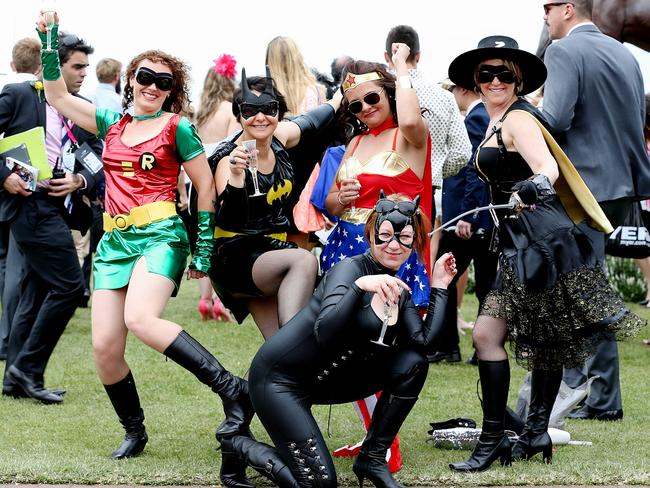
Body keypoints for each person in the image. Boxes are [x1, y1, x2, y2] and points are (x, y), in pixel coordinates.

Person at [36, 14, 252, 466]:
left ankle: (233, 390)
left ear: (172, 90)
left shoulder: (178, 128)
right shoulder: (110, 122)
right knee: (104, 349)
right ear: (131, 79)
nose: (153, 86)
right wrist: (49, 41)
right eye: (145, 77)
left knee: (141, 318)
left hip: (160, 235)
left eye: (164, 81)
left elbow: (205, 187)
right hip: (113, 241)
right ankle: (135, 430)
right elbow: (56, 94)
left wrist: (204, 247)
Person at [445, 35, 643, 472]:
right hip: (522, 242)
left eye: (504, 73)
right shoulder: (494, 119)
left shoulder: (518, 120)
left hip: (542, 241)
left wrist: (533, 186)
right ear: (475, 82)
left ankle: (506, 437)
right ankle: (526, 435)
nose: (495, 80)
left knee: (507, 337)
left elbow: (548, 168)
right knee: (524, 339)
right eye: (486, 73)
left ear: (517, 79)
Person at [220, 194, 456, 488]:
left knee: (413, 364)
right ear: (371, 234)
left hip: (325, 378)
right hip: (278, 381)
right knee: (319, 484)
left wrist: (440, 286)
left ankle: (372, 457)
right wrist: (359, 287)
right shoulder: (350, 270)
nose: (394, 245)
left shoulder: (398, 285)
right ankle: (236, 443)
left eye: (405, 238)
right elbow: (326, 331)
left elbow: (425, 345)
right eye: (385, 236)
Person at [541, 0, 650, 421]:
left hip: (582, 188)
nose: (544, 16)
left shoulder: (563, 50)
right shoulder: (625, 53)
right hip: (622, 186)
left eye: (547, 7)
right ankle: (579, 386)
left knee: (583, 289)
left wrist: (518, 119)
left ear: (568, 9)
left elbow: (556, 118)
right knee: (577, 285)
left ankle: (600, 398)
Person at [0, 30, 103, 402]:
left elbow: (98, 155)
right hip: (29, 206)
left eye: (87, 67)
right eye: (77, 67)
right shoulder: (17, 95)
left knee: (37, 289)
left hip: (62, 208)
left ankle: (15, 378)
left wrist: (79, 179)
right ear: (53, 65)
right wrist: (5, 176)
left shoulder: (79, 105)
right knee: (71, 287)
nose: (83, 74)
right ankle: (27, 370)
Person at [208, 67, 340, 339]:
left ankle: (277, 364)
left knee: (275, 344)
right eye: (249, 110)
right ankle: (296, 340)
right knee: (304, 261)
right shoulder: (229, 158)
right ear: (239, 115)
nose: (259, 117)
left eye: (268, 108)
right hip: (235, 255)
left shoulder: (280, 136)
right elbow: (227, 217)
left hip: (269, 250)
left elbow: (313, 120)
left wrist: (341, 95)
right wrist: (235, 177)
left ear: (278, 113)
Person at [383, 25, 472, 268]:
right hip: (424, 192)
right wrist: (433, 169)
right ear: (419, 56)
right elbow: (462, 153)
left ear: (387, 57)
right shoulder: (444, 97)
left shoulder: (384, 96)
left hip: (384, 188)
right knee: (417, 261)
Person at [428, 79, 496, 364]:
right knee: (485, 283)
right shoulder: (486, 116)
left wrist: (468, 213)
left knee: (444, 275)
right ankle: (478, 348)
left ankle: (447, 346)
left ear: (464, 90)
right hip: (480, 216)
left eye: (453, 90)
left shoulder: (477, 117)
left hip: (467, 218)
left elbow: (474, 167)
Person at [0, 36, 42, 361]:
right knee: (14, 272)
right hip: (15, 192)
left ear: (13, 64)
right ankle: (8, 342)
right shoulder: (16, 92)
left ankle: (10, 340)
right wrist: (5, 176)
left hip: (22, 192)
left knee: (10, 269)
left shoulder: (45, 94)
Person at [194, 53, 240, 321]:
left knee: (203, 237)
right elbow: (233, 146)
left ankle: (204, 298)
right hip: (219, 176)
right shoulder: (229, 111)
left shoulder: (202, 114)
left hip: (195, 181)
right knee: (221, 238)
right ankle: (220, 298)